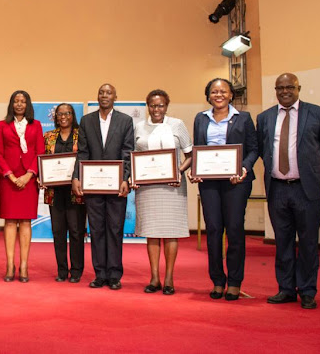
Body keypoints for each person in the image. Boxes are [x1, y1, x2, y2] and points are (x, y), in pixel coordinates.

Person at [257, 73, 320, 310]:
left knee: (308, 242)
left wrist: (315, 174)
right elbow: (264, 151)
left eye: (289, 87)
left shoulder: (317, 113)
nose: (284, 91)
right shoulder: (264, 118)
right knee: (282, 242)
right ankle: (285, 289)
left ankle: (307, 290)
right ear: (275, 90)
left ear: (298, 88)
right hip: (278, 190)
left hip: (306, 190)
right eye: (280, 88)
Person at [190, 78, 258, 301]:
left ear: (231, 95)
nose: (218, 95)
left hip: (236, 182)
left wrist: (245, 168)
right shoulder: (201, 119)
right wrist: (195, 170)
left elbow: (254, 149)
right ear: (208, 95)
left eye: (223, 91)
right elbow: (198, 148)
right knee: (213, 231)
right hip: (209, 182)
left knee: (235, 229)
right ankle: (218, 281)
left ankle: (235, 282)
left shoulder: (244, 118)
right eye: (213, 91)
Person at [72, 83, 134, 290]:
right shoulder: (86, 121)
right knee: (96, 229)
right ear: (97, 96)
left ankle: (114, 274)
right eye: (101, 92)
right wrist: (76, 178)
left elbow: (127, 152)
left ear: (115, 97)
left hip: (117, 185)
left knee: (115, 229)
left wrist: (125, 178)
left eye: (108, 93)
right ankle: (100, 273)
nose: (104, 95)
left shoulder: (125, 121)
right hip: (93, 184)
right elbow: (82, 153)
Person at [132, 90, 192, 295]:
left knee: (171, 232)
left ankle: (169, 279)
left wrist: (178, 172)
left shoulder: (177, 125)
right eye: (152, 105)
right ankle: (154, 277)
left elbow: (190, 155)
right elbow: (133, 156)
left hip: (172, 186)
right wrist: (135, 177)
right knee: (152, 233)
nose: (156, 109)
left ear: (166, 106)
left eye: (160, 106)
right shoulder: (139, 127)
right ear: (147, 106)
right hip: (147, 188)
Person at [0, 90, 45, 282]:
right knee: (9, 221)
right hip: (9, 180)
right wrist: (11, 176)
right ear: (11, 104)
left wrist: (29, 174)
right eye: (16, 101)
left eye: (23, 101)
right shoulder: (2, 125)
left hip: (29, 180)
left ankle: (24, 265)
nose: (19, 104)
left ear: (28, 104)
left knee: (25, 221)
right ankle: (9, 264)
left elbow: (40, 151)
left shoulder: (36, 125)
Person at [42, 103, 86, 283]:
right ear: (55, 116)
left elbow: (85, 158)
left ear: (72, 115)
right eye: (60, 114)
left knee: (76, 232)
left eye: (67, 113)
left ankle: (76, 270)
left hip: (76, 192)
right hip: (55, 192)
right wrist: (42, 177)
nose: (63, 116)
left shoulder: (81, 135)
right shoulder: (49, 136)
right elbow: (42, 158)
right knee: (58, 232)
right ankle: (62, 270)